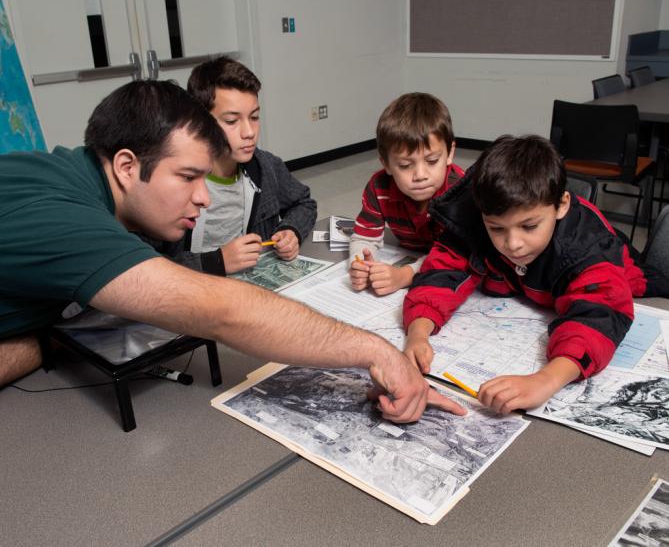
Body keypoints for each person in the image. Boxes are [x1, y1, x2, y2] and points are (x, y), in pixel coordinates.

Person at [0, 79, 465, 423]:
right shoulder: (64, 218)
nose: (204, 197)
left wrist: (49, 337)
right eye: (187, 177)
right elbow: (222, 311)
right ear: (126, 165)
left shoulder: (63, 178)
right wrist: (379, 353)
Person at [403, 134, 669, 414]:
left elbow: (598, 315)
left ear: (562, 205)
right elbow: (443, 270)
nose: (513, 244)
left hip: (635, 280)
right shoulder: (476, 215)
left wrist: (545, 380)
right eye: (496, 228)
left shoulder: (589, 248)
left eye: (529, 226)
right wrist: (418, 334)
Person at [173, 56, 317, 275]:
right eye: (232, 121)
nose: (249, 132)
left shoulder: (265, 166)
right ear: (201, 122)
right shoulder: (172, 180)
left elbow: (304, 203)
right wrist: (217, 261)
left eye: (255, 117)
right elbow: (144, 266)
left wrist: (290, 230)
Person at [348, 93, 464, 296]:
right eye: (405, 165)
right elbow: (364, 237)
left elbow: (454, 256)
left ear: (450, 153)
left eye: (431, 161)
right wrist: (359, 265)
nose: (420, 175)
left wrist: (404, 276)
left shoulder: (460, 191)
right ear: (386, 164)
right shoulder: (378, 187)